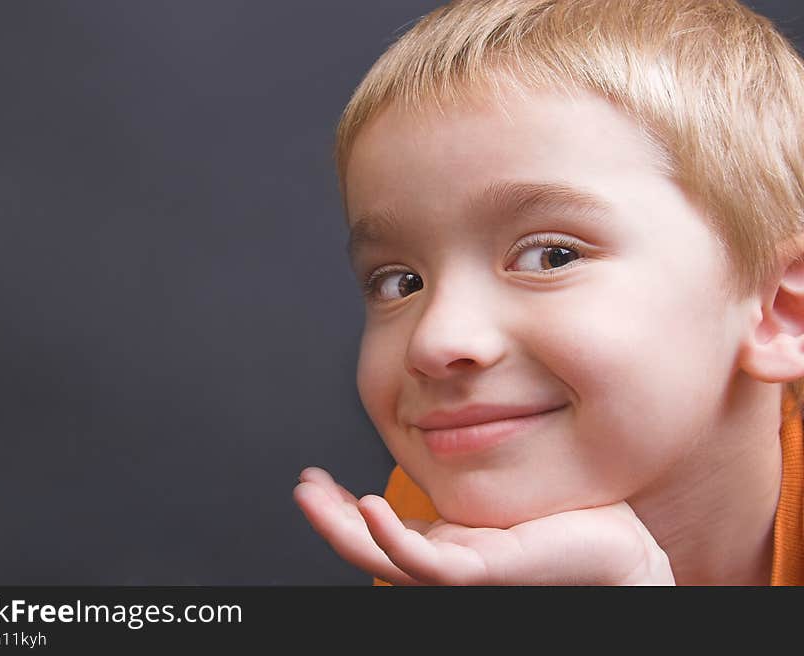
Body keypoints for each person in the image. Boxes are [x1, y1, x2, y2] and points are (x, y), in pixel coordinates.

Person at [293, 0, 804, 585]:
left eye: (550, 256)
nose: (433, 341)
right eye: (401, 282)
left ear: (780, 311)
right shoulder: (437, 532)